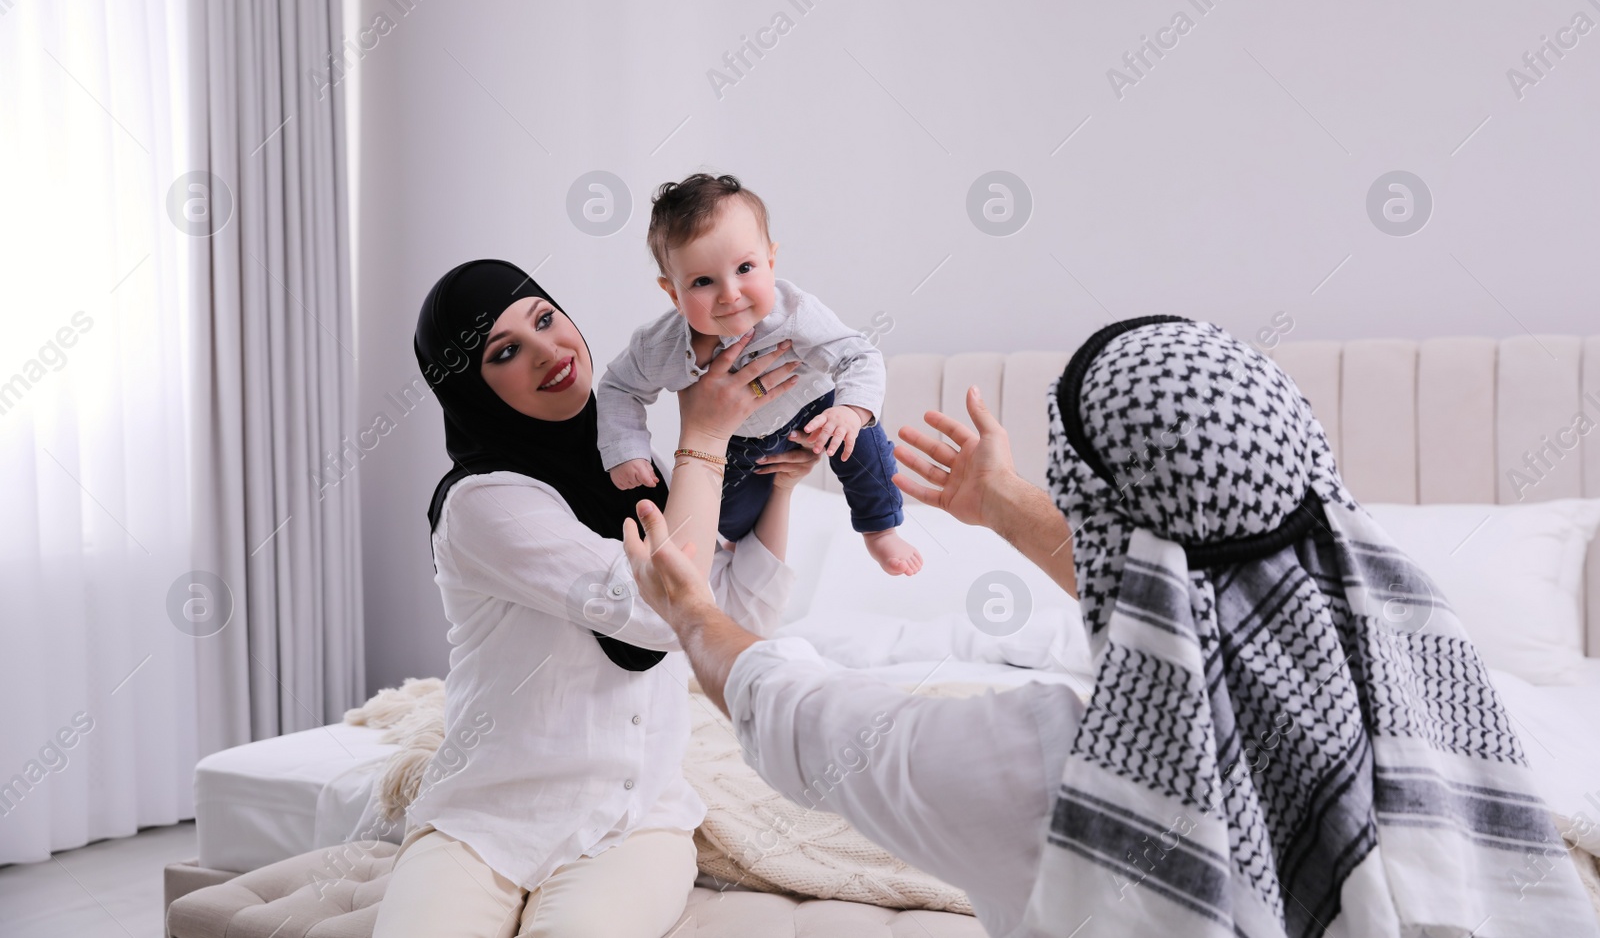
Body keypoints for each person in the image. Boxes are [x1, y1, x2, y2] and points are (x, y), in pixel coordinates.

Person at [619, 315, 1600, 938]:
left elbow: (800, 715)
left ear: (1093, 507)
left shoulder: (1060, 766)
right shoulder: (1444, 706)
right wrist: (1005, 505)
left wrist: (696, 611)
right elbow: (1189, 587)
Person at [372, 258, 821, 938]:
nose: (550, 351)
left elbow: (736, 620)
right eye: (506, 351)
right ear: (471, 386)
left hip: (633, 822)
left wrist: (778, 487)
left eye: (546, 319)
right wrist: (703, 435)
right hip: (481, 822)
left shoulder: (643, 475)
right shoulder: (480, 502)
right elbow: (659, 607)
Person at [595, 172, 923, 575]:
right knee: (729, 518)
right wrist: (625, 447)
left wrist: (851, 411)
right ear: (672, 293)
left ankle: (880, 530)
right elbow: (618, 387)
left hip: (814, 408)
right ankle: (742, 545)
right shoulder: (658, 346)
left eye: (745, 268)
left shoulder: (796, 312)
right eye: (702, 281)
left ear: (771, 260)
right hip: (737, 438)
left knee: (865, 444)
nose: (730, 293)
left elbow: (859, 355)